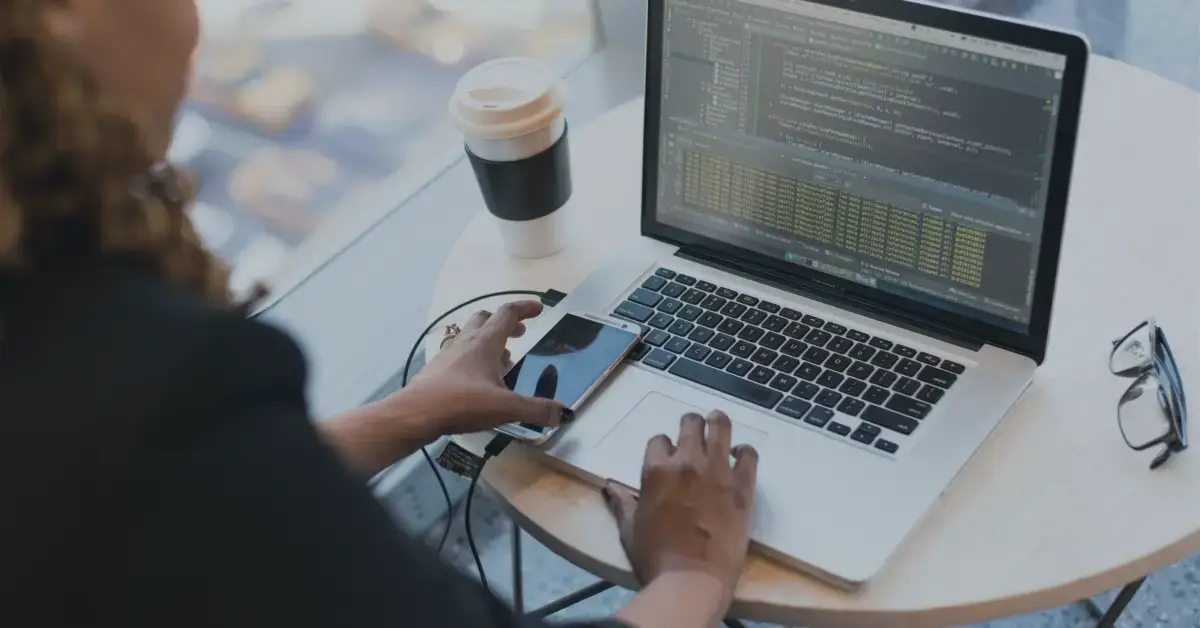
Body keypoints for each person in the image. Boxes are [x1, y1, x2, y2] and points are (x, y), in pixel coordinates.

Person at [0, 1, 762, 627]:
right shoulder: (158, 378)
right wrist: (691, 575)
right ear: (61, 17)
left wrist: (410, 411)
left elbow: (171, 505)